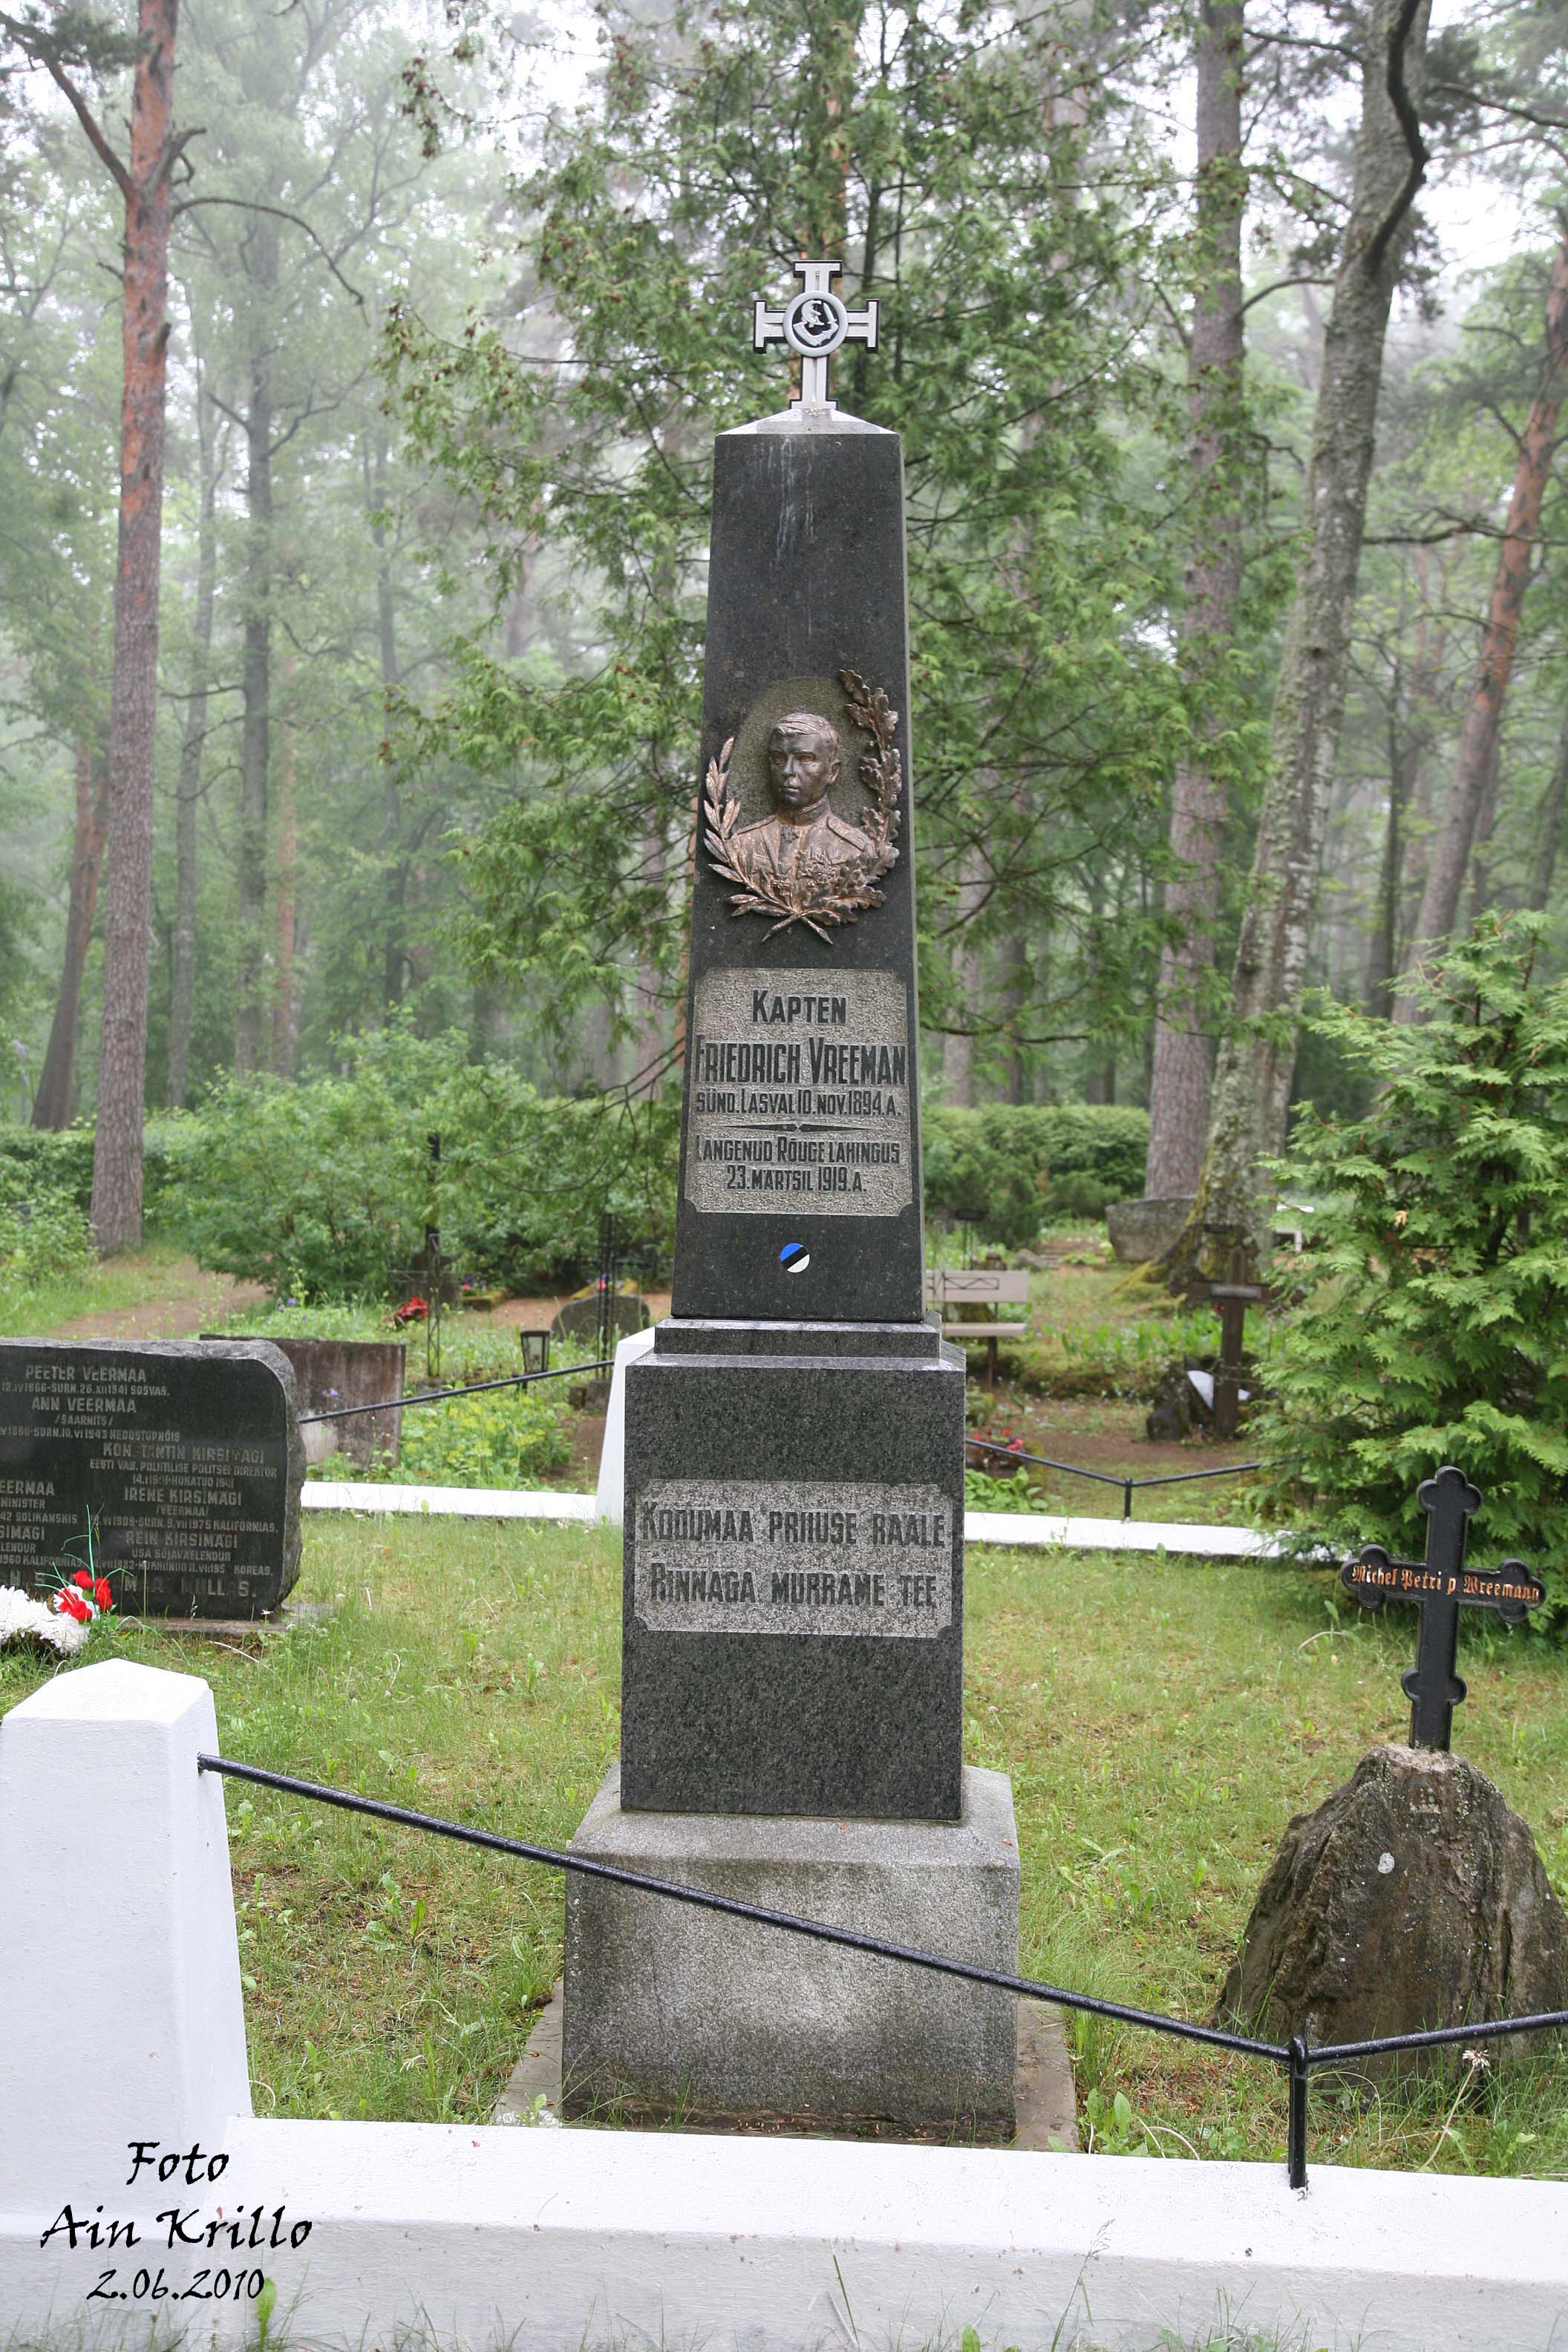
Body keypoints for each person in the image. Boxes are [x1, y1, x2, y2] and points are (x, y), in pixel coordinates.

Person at [733, 712, 873, 881]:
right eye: (779, 759)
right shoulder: (742, 844)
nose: (788, 771)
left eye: (804, 759)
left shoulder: (857, 851)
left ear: (832, 772)